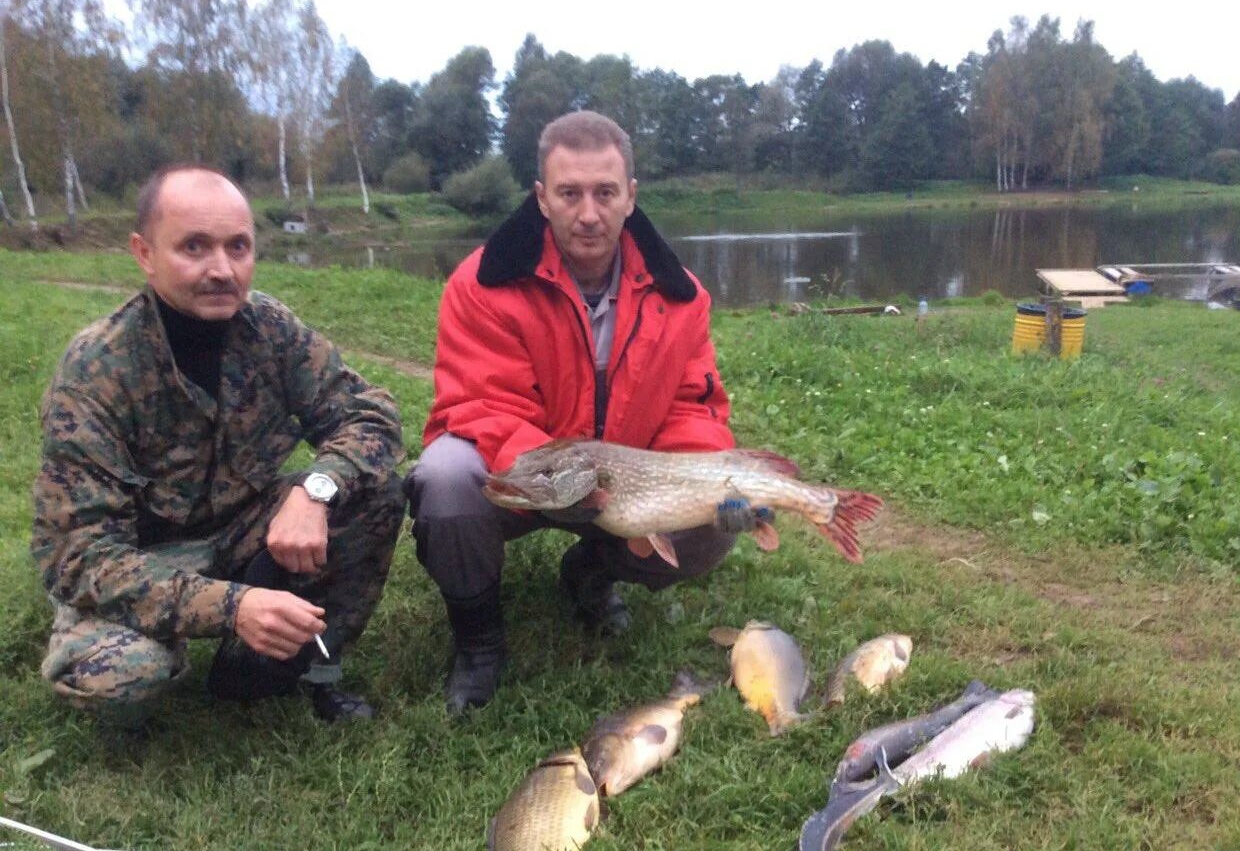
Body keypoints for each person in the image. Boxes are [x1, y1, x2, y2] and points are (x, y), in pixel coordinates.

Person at [404, 111, 768, 715]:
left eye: (605, 192)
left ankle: (591, 574)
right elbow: (480, 403)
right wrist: (564, 478)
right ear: (542, 199)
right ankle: (479, 640)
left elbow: (692, 407)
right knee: (443, 480)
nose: (590, 213)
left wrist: (695, 480)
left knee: (712, 525)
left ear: (631, 196)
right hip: (524, 476)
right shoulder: (482, 284)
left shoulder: (683, 297)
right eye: (570, 194)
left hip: (623, 486)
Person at [31, 165, 405, 723]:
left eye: (238, 247)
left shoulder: (270, 329)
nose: (221, 270)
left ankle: (273, 667)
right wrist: (231, 607)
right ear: (144, 253)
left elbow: (370, 415)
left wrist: (315, 489)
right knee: (122, 676)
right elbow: (77, 557)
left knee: (373, 492)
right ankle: (208, 634)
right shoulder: (96, 370)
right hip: (142, 558)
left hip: (239, 528)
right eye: (194, 247)